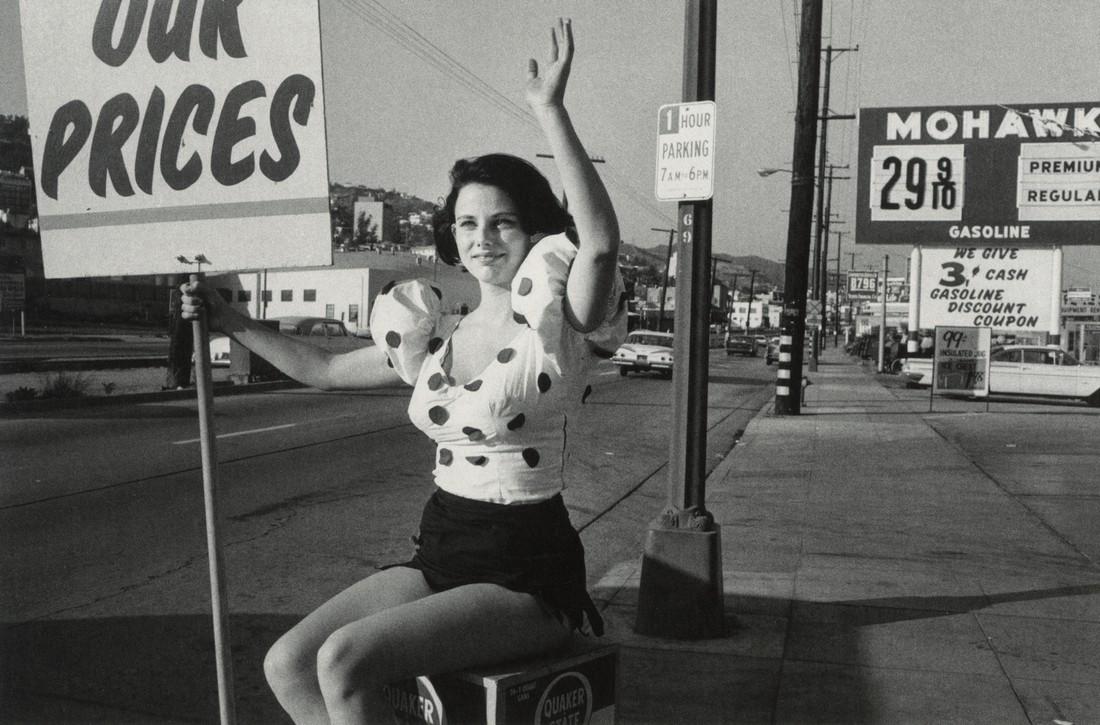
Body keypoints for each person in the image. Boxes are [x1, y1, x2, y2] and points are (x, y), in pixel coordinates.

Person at [181, 19, 625, 725]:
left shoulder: (558, 322)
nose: (483, 239)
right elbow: (323, 368)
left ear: (534, 228)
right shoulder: (438, 331)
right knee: (289, 662)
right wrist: (229, 319)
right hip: (441, 550)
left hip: (524, 573)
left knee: (345, 660)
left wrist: (551, 111)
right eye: (469, 224)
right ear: (451, 234)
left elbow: (599, 245)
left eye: (503, 223)